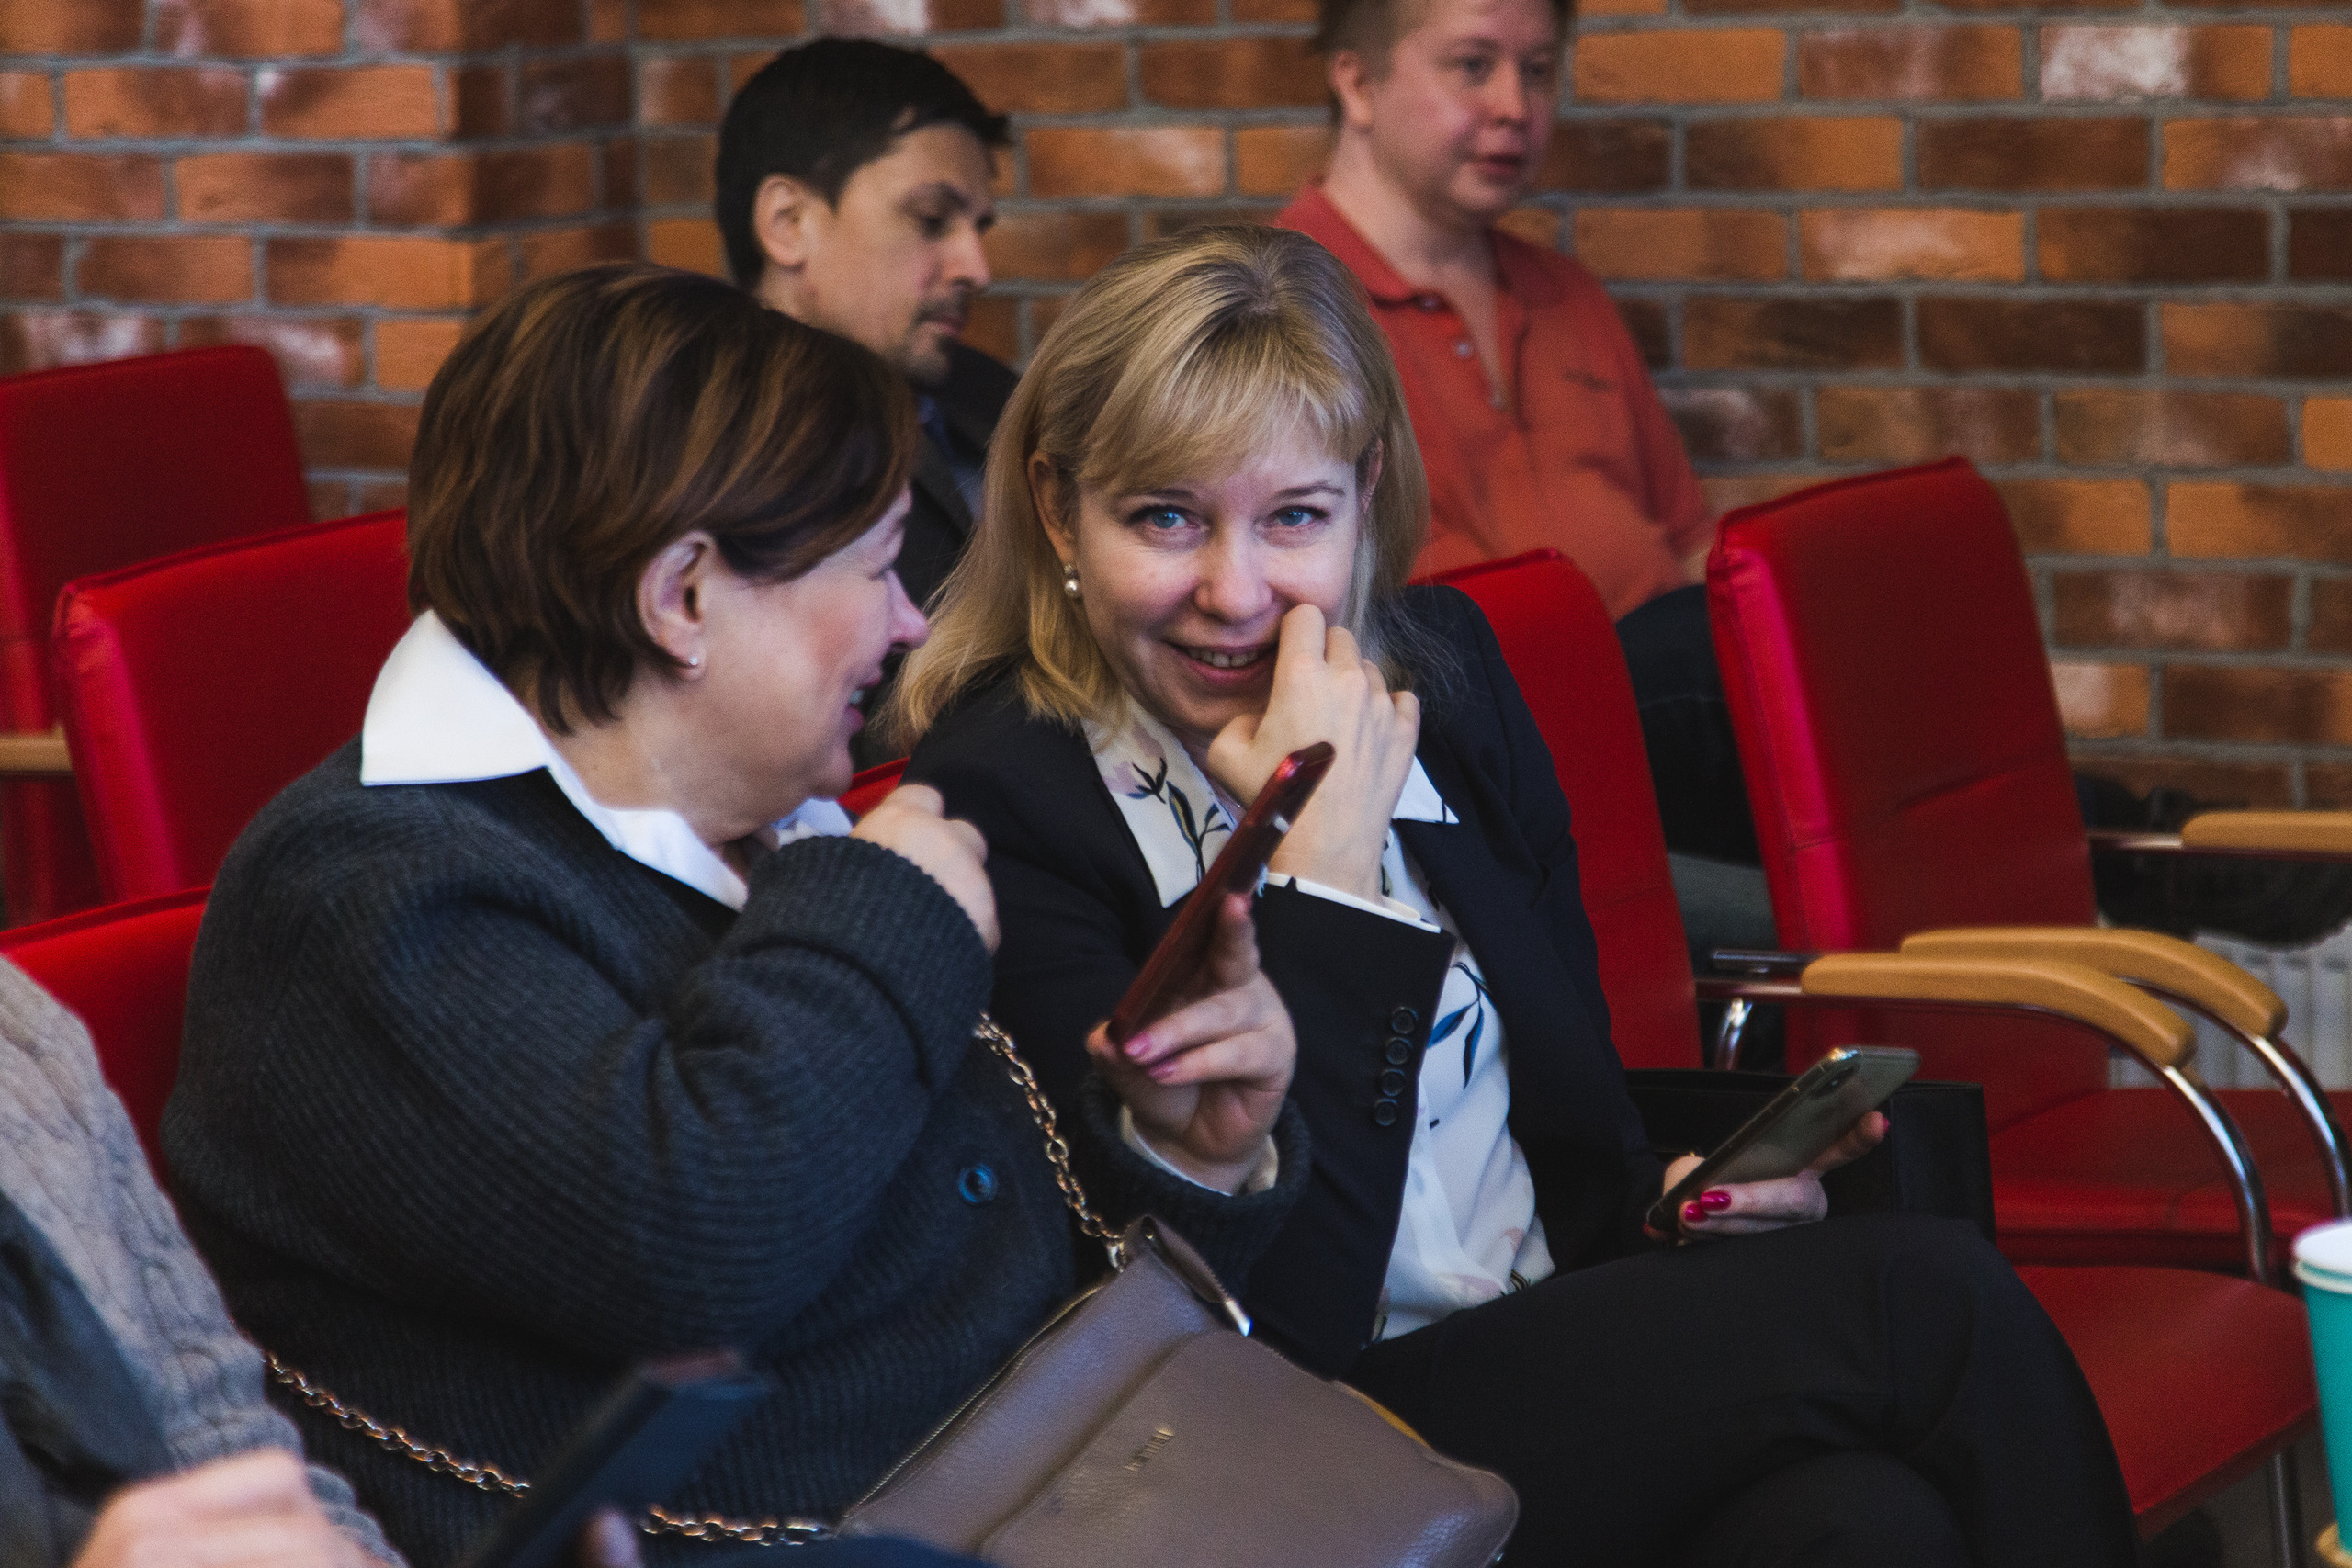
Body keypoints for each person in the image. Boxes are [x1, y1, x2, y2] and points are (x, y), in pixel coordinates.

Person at [893, 226, 2140, 1567]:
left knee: (1865, 1522)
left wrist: (1661, 1195)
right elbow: (1263, 1303)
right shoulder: (1005, 798)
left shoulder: (1451, 680)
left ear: (1368, 494)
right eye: (1166, 517)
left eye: (1294, 516)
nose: (1233, 591)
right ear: (1056, 503)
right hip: (1281, 1435)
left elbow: (1566, 1116)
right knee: (1926, 1304)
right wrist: (1323, 875)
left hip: (1537, 1335)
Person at [161, 262, 1306, 1566]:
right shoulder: (358, 892)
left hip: (1073, 1500)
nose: (910, 618)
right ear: (683, 597)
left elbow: (973, 1252)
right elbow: (701, 1242)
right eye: (876, 568)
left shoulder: (769, 821)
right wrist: (889, 908)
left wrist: (1186, 1154)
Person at [718, 39, 1016, 764]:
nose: (975, 267)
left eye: (978, 228)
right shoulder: (710, 452)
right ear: (788, 222)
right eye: (930, 219)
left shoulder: (993, 393)